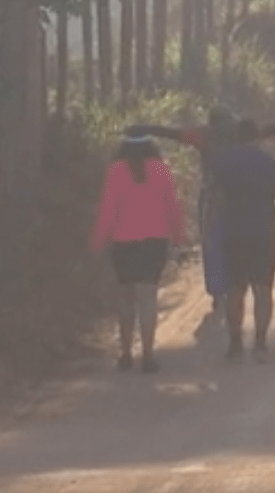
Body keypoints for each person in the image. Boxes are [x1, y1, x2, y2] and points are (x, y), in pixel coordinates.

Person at [128, 107, 275, 313]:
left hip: (212, 195)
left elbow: (171, 133)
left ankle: (218, 292)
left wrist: (144, 129)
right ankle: (234, 288)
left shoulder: (203, 135)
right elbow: (273, 129)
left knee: (212, 244)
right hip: (242, 193)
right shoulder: (238, 133)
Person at [198, 120, 275, 364]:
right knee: (263, 290)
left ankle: (235, 345)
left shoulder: (222, 163)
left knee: (236, 289)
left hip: (233, 234)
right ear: (256, 137)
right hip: (263, 233)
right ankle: (260, 344)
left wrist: (207, 231)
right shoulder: (266, 161)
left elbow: (211, 198)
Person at [90, 129, 189, 374]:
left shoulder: (116, 172)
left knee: (125, 298)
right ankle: (148, 356)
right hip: (154, 242)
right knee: (147, 298)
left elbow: (107, 209)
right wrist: (178, 237)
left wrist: (97, 241)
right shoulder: (161, 169)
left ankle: (125, 354)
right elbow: (172, 205)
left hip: (123, 243)